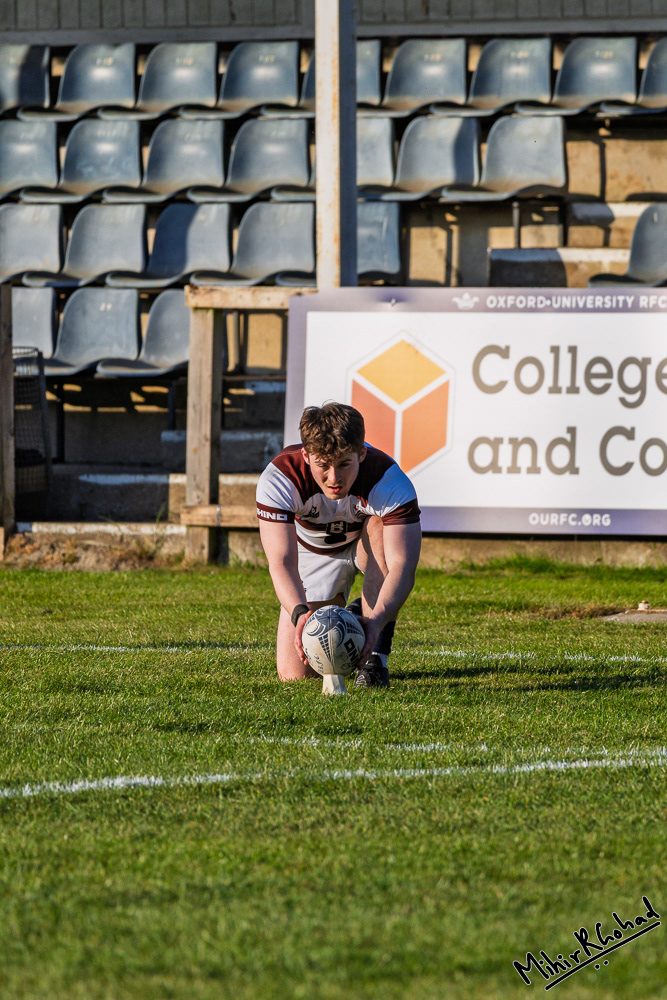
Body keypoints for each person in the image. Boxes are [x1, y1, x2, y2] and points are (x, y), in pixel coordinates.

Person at [256, 401, 422, 687]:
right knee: (294, 674)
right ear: (306, 456)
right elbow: (281, 562)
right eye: (323, 465)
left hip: (366, 543)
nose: (334, 478)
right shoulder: (280, 478)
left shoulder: (388, 479)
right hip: (315, 552)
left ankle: (374, 660)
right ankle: (356, 614)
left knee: (381, 524)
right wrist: (300, 613)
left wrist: (379, 621)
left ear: (362, 453)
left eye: (345, 464)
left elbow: (402, 566)